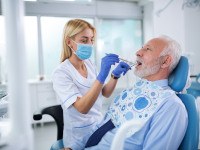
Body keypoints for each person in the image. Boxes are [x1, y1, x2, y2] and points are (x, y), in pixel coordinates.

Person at [85, 35, 188, 150]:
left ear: (165, 61)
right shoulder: (133, 92)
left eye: (147, 49)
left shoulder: (171, 106)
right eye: (142, 48)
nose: (138, 52)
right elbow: (101, 126)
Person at [52, 19, 130, 150]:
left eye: (92, 40)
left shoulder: (89, 64)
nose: (89, 44)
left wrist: (114, 75)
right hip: (78, 135)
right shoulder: (61, 73)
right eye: (84, 40)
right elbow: (83, 108)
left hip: (97, 125)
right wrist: (102, 75)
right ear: (69, 42)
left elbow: (105, 92)